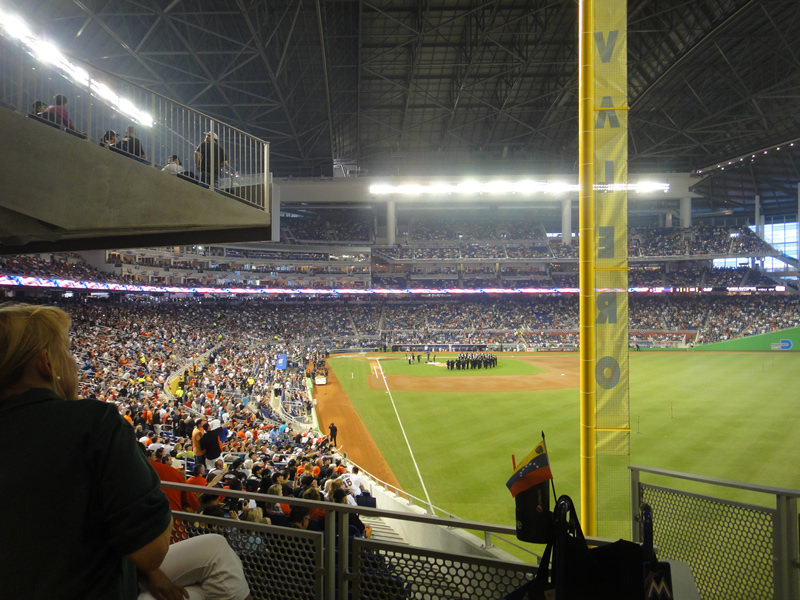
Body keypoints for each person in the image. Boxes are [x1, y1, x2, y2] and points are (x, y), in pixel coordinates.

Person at [0, 303, 253, 599]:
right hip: (91, 587)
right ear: (47, 364)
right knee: (216, 567)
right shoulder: (94, 422)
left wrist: (152, 574)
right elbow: (152, 550)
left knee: (212, 553)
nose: (74, 363)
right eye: (68, 353)